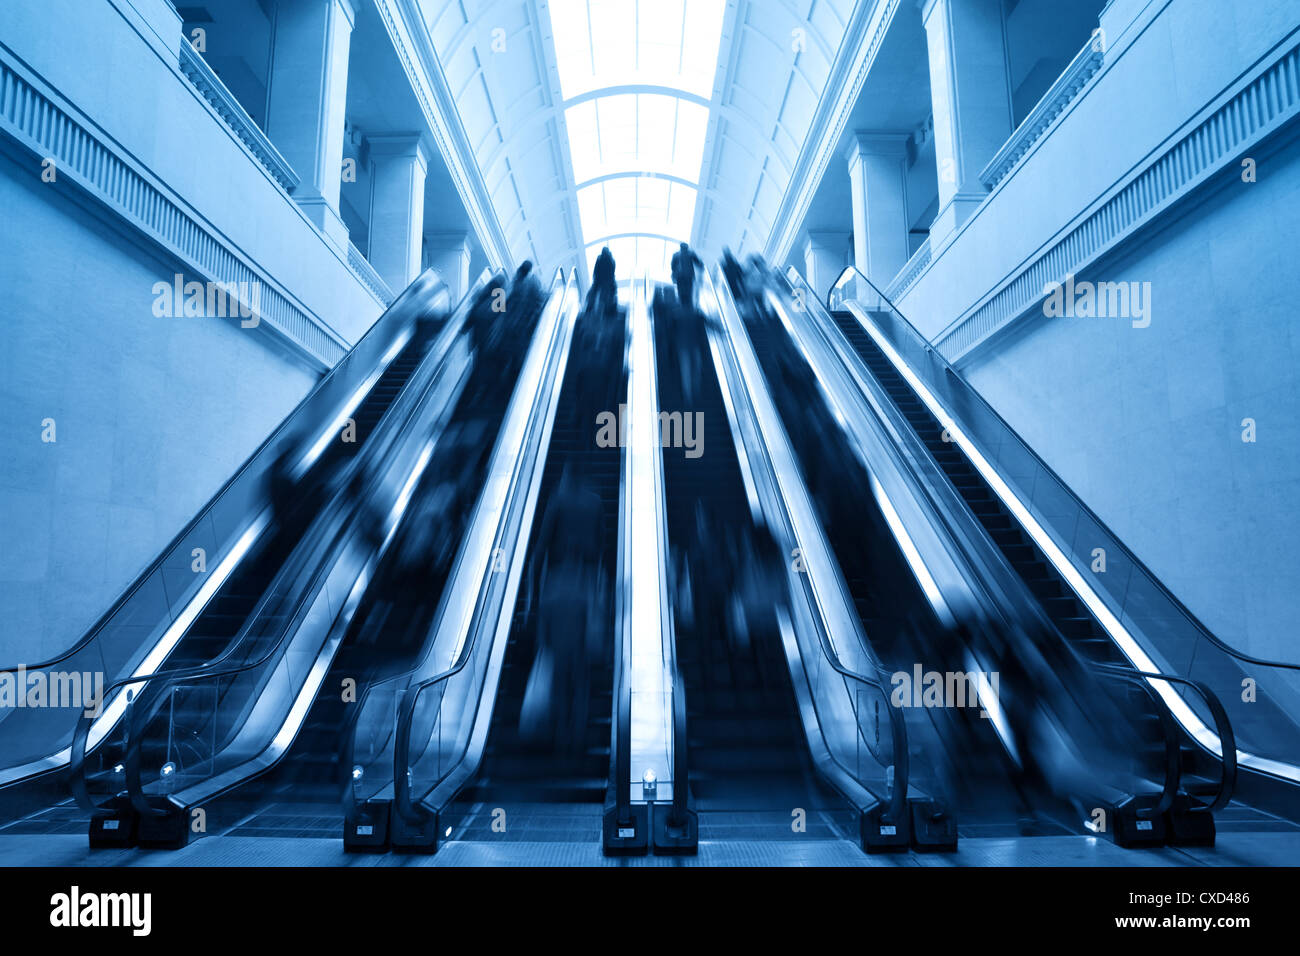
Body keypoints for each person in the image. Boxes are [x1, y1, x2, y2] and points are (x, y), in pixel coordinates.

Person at [670, 242, 702, 312]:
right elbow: (698, 263)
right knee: (689, 292)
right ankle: (688, 308)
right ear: (687, 248)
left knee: (681, 292)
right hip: (688, 276)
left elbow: (672, 267)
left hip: (680, 277)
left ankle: (682, 307)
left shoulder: (676, 255)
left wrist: (674, 274)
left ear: (680, 247)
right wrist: (702, 265)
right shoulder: (691, 254)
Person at [587, 246, 617, 314]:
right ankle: (608, 310)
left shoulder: (600, 258)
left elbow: (596, 269)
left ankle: (590, 308)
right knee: (606, 296)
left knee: (593, 294)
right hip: (608, 282)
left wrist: (595, 278)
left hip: (599, 280)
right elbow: (612, 271)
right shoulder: (612, 260)